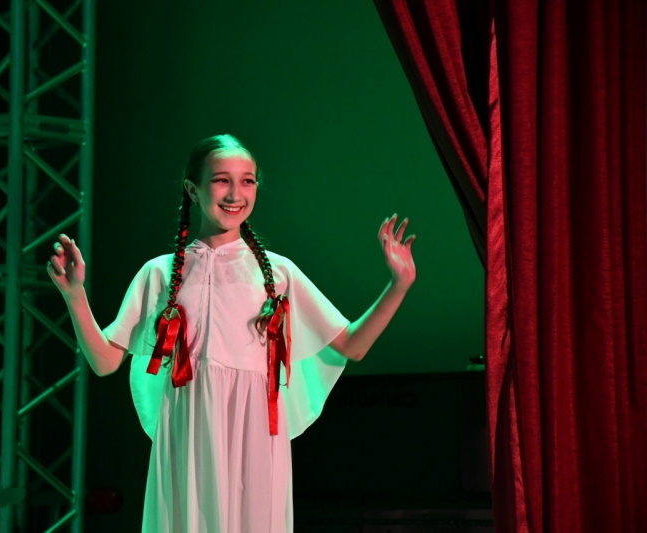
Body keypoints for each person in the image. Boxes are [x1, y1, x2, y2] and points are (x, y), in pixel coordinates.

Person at [47, 134, 416, 533]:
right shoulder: (159, 273)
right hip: (189, 433)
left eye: (247, 181)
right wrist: (74, 295)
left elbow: (352, 346)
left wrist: (399, 285)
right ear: (193, 189)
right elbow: (104, 361)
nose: (235, 193)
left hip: (254, 435)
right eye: (221, 180)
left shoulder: (279, 273)